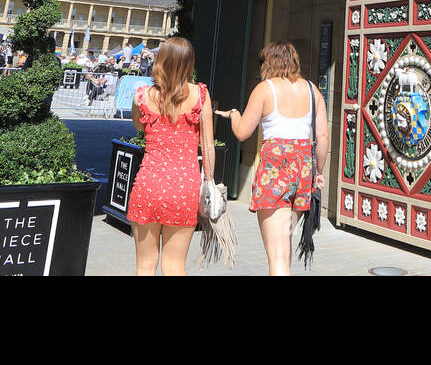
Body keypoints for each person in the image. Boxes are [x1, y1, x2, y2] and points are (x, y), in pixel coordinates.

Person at [218, 41, 328, 276]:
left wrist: (234, 115)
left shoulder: (265, 89)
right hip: (303, 171)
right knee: (283, 248)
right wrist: (318, 172)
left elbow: (242, 132)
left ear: (269, 62)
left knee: (277, 255)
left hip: (275, 170)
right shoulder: (312, 90)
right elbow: (323, 136)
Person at [127, 36, 210, 275]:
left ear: (160, 60)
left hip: (149, 183)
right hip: (184, 187)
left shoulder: (142, 95)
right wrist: (211, 181)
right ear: (189, 63)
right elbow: (208, 145)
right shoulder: (200, 95)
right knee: (174, 266)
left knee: (144, 266)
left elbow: (138, 126)